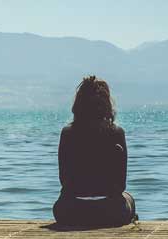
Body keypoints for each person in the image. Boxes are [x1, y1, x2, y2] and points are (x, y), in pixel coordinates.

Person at [53, 75, 136, 227]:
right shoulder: (117, 133)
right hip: (111, 212)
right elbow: (121, 185)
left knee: (60, 204)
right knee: (129, 198)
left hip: (71, 211)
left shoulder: (67, 133)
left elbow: (64, 180)